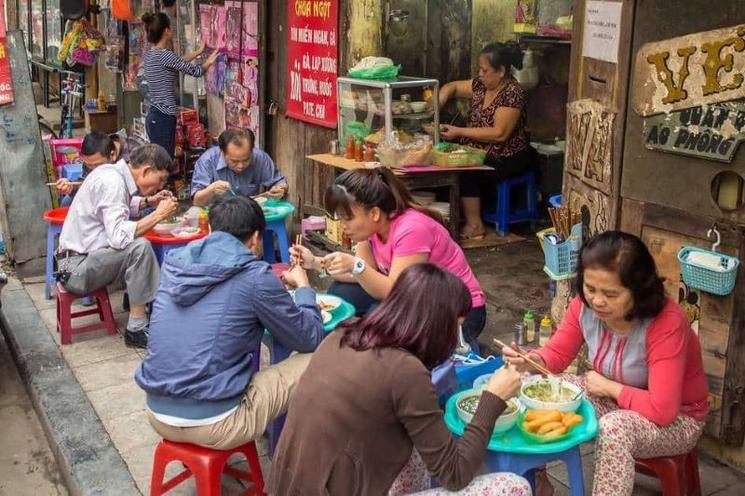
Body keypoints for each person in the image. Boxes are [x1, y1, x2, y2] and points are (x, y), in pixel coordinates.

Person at [269, 263, 530, 494]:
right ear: (436, 324)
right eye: (456, 326)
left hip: (292, 485)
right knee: (515, 486)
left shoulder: (344, 333)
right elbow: (456, 474)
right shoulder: (405, 371)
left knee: (415, 450)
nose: (456, 337)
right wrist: (492, 399)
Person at [502, 231, 710, 496]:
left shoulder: (666, 323)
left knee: (615, 429)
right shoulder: (583, 305)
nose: (597, 301)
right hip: (614, 400)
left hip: (678, 419)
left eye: (611, 294)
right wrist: (531, 361)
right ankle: (537, 481)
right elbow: (557, 355)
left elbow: (663, 410)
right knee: (531, 387)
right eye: (590, 289)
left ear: (639, 290)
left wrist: (611, 388)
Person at [135, 195, 324, 449]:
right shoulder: (255, 276)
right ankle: (302, 447)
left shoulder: (175, 264)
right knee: (321, 357)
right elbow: (309, 337)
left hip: (156, 413)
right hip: (217, 423)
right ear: (257, 238)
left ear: (211, 229)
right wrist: (304, 288)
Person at [291, 167, 487, 350]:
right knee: (340, 291)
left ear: (374, 213)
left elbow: (394, 290)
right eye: (339, 217)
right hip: (415, 298)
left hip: (458, 311)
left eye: (347, 218)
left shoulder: (411, 229)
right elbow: (364, 275)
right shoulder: (370, 231)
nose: (342, 225)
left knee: (379, 315)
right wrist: (315, 263)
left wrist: (356, 265)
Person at [56, 144, 178, 349]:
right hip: (74, 269)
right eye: (161, 179)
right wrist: (158, 215)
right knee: (140, 247)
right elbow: (119, 238)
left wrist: (149, 201)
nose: (160, 186)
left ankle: (133, 300)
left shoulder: (112, 173)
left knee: (137, 242)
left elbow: (117, 207)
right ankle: (136, 329)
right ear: (147, 170)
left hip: (71, 262)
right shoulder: (113, 183)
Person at [437, 42, 537, 240]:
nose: (480, 74)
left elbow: (500, 134)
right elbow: (452, 87)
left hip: (508, 156)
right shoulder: (481, 85)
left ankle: (475, 225)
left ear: (501, 71)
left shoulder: (512, 93)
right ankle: (456, 218)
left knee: (466, 170)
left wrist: (459, 132)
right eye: (479, 70)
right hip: (479, 149)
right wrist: (437, 105)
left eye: (485, 70)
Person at [142, 12, 219, 158]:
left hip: (155, 116)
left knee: (159, 161)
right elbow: (196, 71)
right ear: (166, 31)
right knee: (164, 162)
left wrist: (198, 52)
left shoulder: (151, 54)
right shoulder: (165, 55)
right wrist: (209, 61)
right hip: (163, 117)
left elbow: (178, 61)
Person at [56, 131, 172, 213]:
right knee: (68, 201)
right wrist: (71, 187)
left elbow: (157, 179)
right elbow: (88, 185)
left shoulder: (136, 150)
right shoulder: (95, 162)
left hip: (141, 197)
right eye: (89, 165)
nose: (95, 170)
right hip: (113, 202)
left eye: (97, 165)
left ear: (112, 155)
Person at [191, 128, 288, 206]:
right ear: (222, 152)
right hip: (216, 215)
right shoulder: (207, 161)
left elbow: (279, 182)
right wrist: (210, 190)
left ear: (251, 151)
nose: (241, 166)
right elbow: (196, 201)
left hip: (249, 213)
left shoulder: (259, 157)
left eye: (246, 160)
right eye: (234, 161)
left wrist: (280, 188)